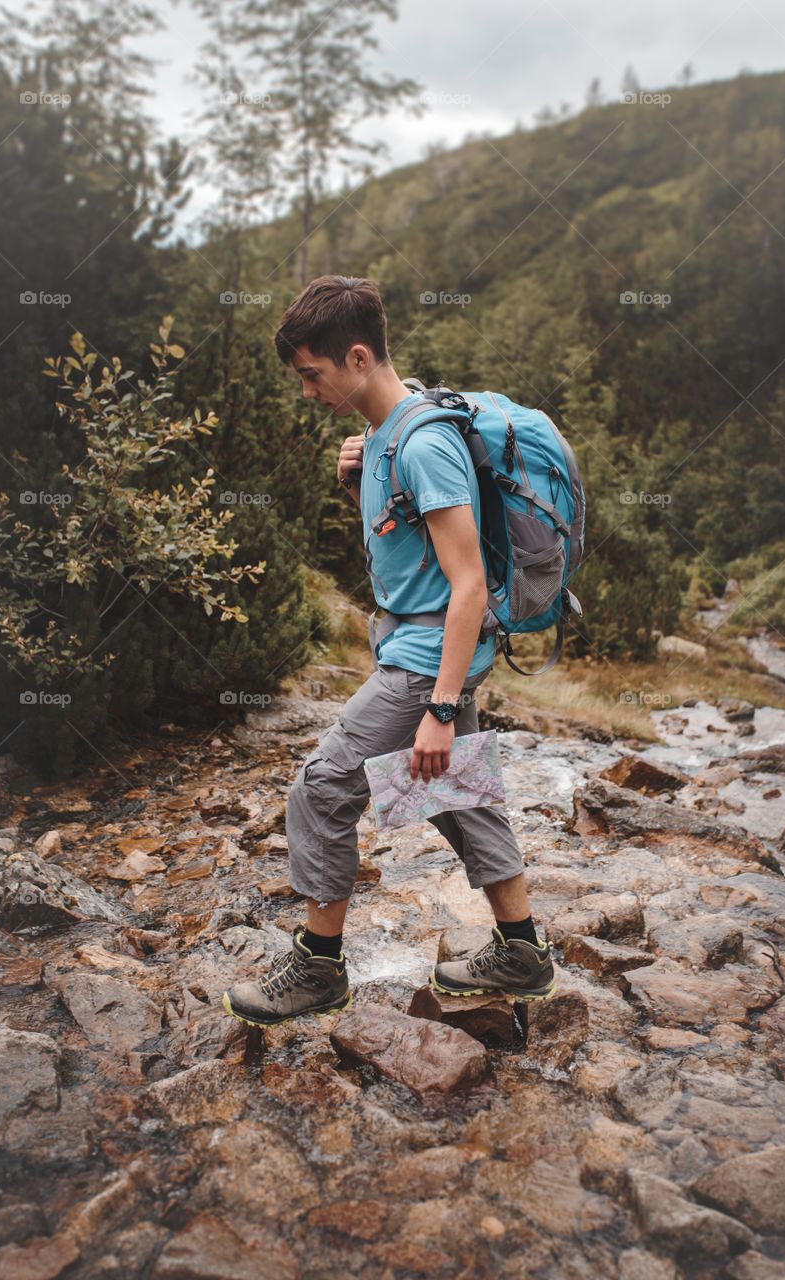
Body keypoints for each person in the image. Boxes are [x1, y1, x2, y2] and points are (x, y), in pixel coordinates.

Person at [222, 275, 555, 1027]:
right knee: (453, 791)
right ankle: (522, 951)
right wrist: (358, 491)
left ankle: (318, 968)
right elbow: (415, 557)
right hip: (423, 651)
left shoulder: (425, 443)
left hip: (426, 662)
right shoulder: (380, 440)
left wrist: (437, 706)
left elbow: (467, 584)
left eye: (313, 374)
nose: (306, 392)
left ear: (359, 356)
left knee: (320, 788)